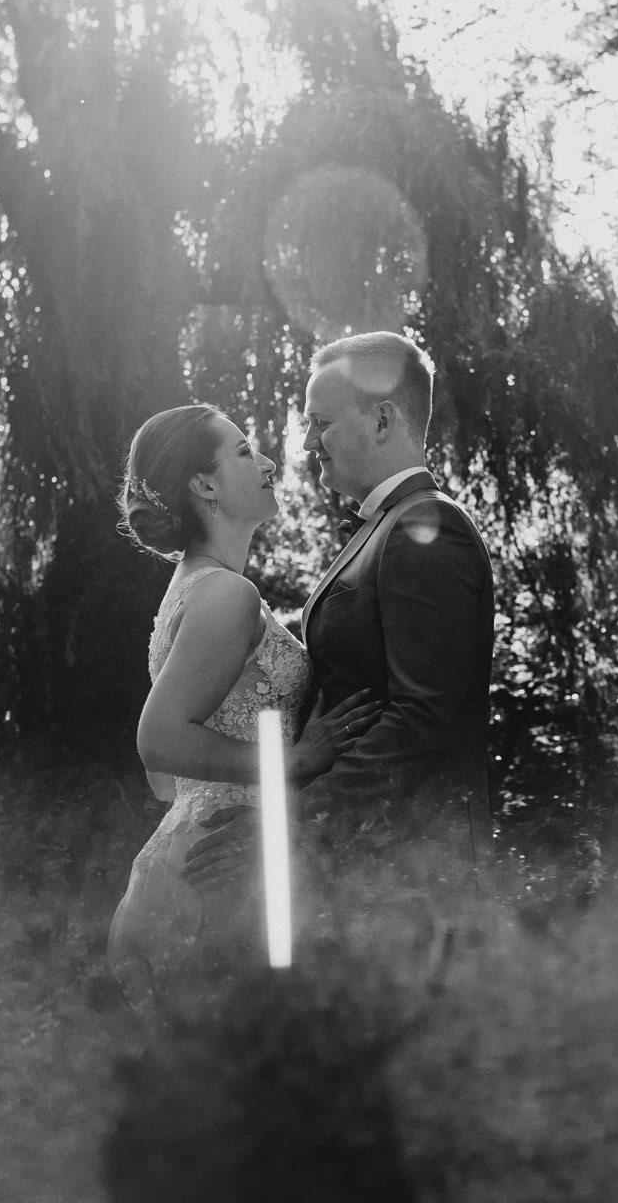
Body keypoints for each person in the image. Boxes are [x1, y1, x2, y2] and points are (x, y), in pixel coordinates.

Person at [188, 331, 496, 906]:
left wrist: (285, 823)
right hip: (369, 873)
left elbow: (423, 720)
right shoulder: (387, 528)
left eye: (320, 423)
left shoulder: (426, 530)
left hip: (417, 878)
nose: (307, 443)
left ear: (382, 421)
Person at [109, 404, 378, 984]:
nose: (268, 461)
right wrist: (296, 760)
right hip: (217, 872)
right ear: (204, 485)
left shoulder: (198, 585)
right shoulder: (225, 594)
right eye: (242, 451)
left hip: (220, 850)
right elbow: (159, 739)